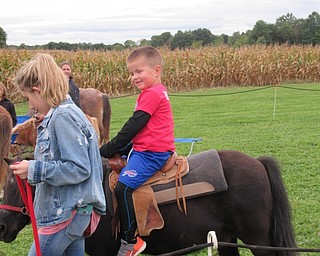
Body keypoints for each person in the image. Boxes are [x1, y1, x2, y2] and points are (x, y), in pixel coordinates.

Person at [10, 53, 106, 256]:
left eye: (29, 98)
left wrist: (33, 168)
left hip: (65, 214)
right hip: (75, 213)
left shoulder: (62, 117)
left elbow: (79, 169)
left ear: (38, 90)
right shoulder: (63, 113)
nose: (31, 106)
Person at [100, 46, 175, 256]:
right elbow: (140, 130)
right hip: (143, 147)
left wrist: (110, 147)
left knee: (123, 187)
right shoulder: (152, 92)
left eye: (139, 71)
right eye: (132, 73)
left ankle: (130, 239)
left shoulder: (152, 94)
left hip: (152, 153)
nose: (134, 77)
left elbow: (134, 125)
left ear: (157, 70)